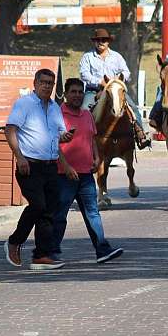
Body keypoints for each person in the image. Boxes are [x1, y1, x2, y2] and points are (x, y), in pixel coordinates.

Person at [3, 68, 74, 271]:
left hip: (50, 165)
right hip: (29, 165)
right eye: (43, 82)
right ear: (35, 83)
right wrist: (19, 156)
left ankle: (41, 256)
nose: (47, 86)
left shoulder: (54, 108)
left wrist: (65, 138)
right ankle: (14, 242)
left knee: (50, 211)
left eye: (50, 83)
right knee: (38, 205)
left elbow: (57, 137)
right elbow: (10, 129)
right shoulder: (24, 103)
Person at [53, 78, 123, 263]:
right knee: (60, 215)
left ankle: (102, 250)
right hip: (63, 175)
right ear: (65, 94)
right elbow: (53, 143)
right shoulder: (57, 114)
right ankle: (51, 252)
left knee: (93, 213)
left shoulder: (86, 115)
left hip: (85, 175)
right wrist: (66, 166)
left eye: (79, 92)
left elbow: (92, 138)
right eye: (73, 92)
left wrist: (97, 158)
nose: (77, 95)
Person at [79, 28, 151, 150]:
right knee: (84, 109)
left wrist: (119, 78)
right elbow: (84, 74)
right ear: (94, 42)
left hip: (114, 90)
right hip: (95, 90)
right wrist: (99, 81)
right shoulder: (87, 57)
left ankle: (140, 134)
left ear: (108, 42)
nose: (101, 42)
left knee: (133, 107)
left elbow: (126, 72)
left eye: (104, 40)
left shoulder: (117, 57)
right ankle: (83, 140)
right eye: (98, 40)